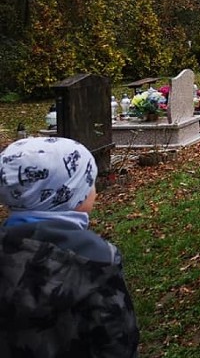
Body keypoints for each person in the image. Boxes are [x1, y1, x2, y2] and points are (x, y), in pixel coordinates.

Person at [0, 136, 139, 357]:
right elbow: (117, 339)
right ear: (71, 194)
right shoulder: (98, 260)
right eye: (88, 182)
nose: (95, 190)